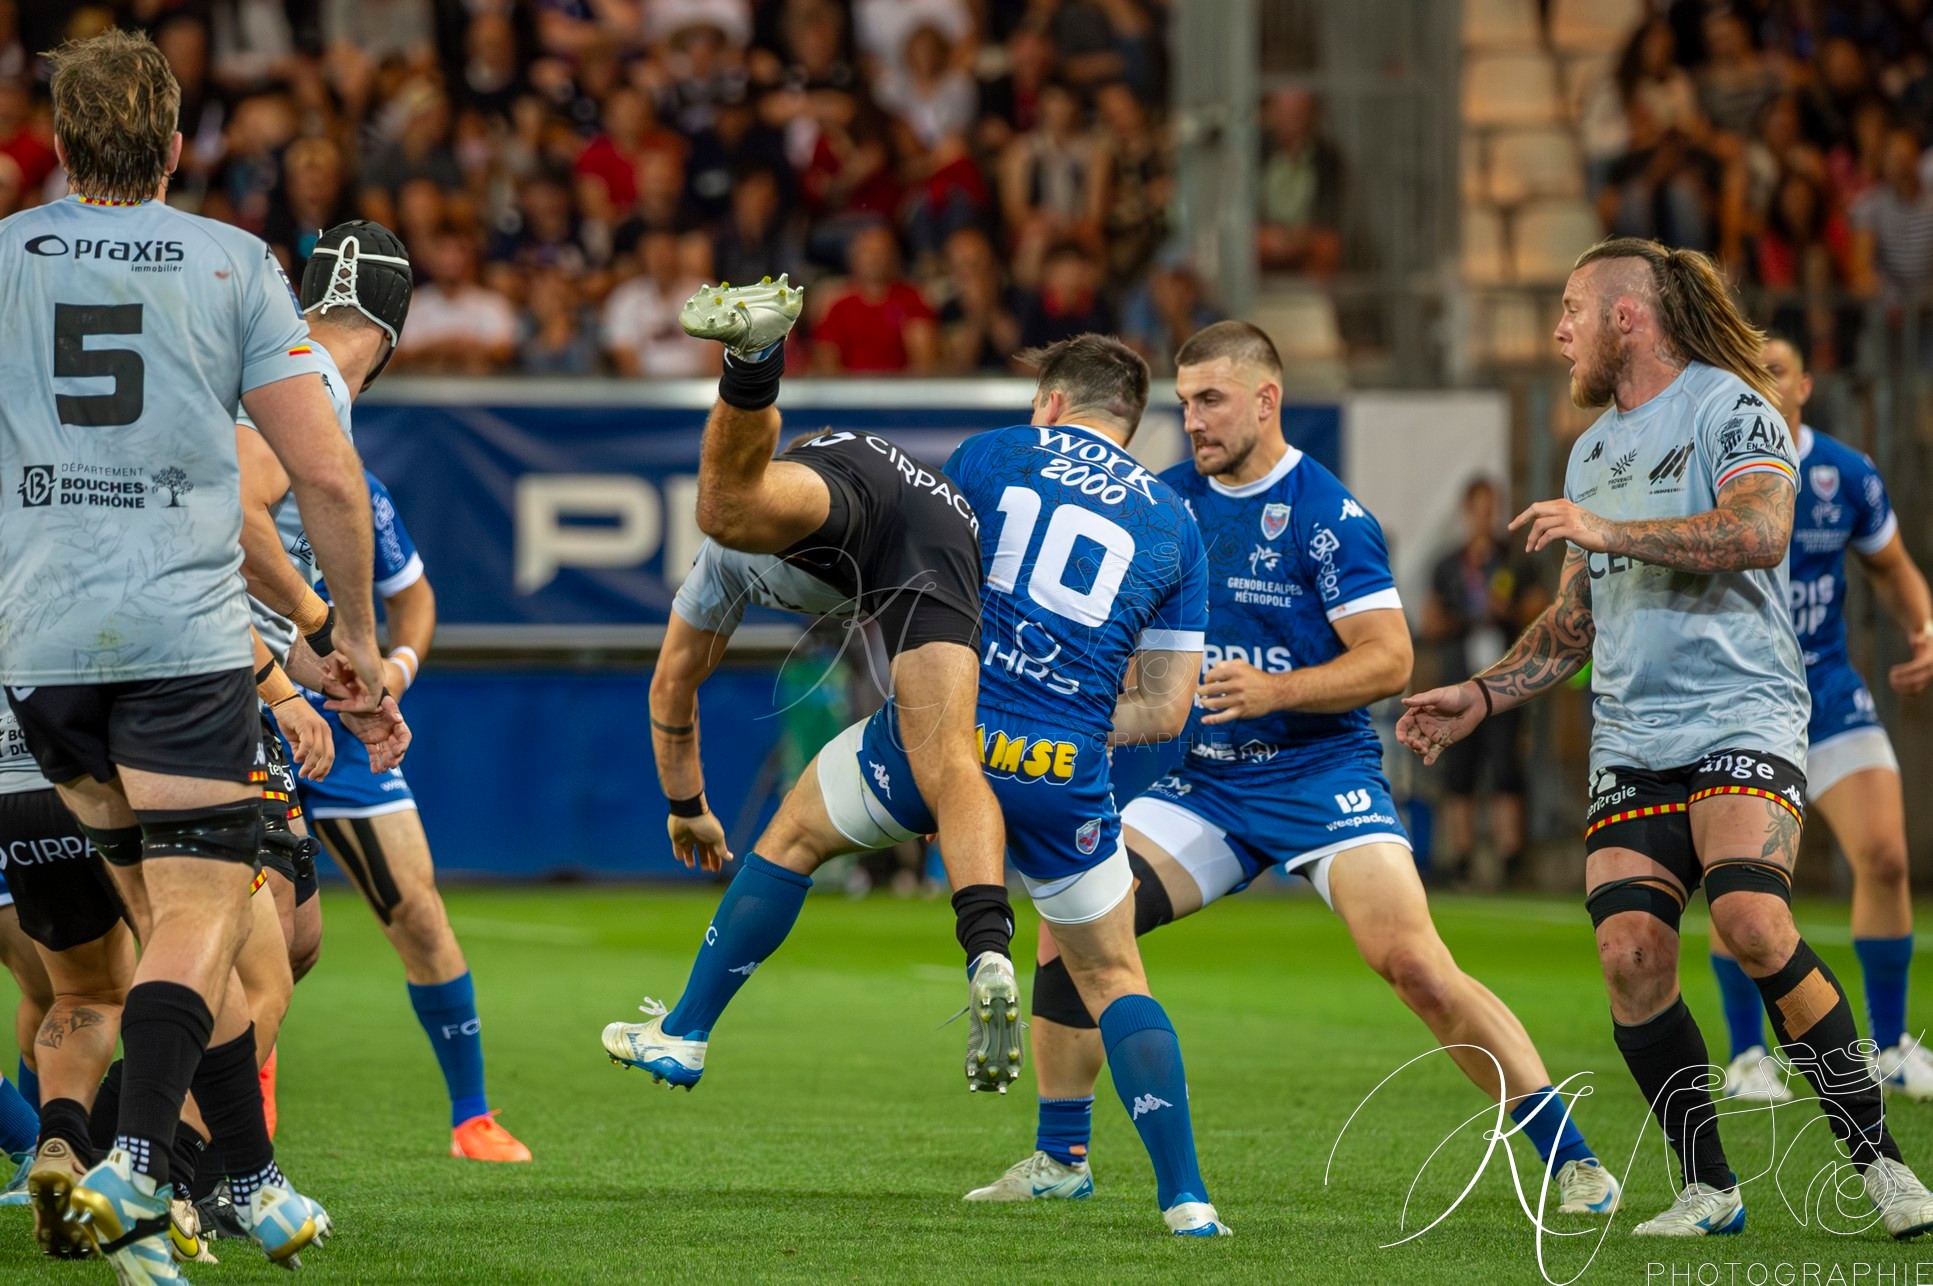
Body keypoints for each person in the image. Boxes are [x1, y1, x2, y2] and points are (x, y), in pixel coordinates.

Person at [964, 321, 1619, 1219]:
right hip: (1210, 785)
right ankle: (1059, 1156)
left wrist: (1277, 690)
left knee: (1413, 965)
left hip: (1321, 777)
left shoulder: (1325, 514)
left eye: (1210, 401)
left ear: (1265, 401)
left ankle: (1569, 1157)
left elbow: (1388, 660)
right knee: (1072, 924)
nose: (1190, 421)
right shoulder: (1163, 501)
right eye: (1183, 402)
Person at [612, 316, 1230, 1237]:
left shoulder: (993, 454)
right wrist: (1066, 722)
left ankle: (689, 1027)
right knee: (1112, 974)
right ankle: (1183, 1199)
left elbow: (917, 561)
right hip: (1064, 763)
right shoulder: (1177, 523)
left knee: (793, 835)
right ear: (1129, 422)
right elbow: (1168, 707)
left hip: (943, 731)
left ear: (1050, 404)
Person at [1399, 238, 1933, 1239]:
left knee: (1749, 920)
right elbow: (1573, 620)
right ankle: (1709, 1185)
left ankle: (1880, 1164)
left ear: (1626, 317)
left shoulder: (1732, 407)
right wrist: (1481, 692)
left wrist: (1610, 530)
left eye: (1570, 309)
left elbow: (1759, 530)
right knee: (1629, 951)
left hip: (1743, 711)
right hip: (1633, 732)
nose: (1557, 332)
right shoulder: (1591, 448)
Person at [0, 29, 396, 1279]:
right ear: (176, 146)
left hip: (40, 642)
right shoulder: (234, 263)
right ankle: (135, 1162)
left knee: (144, 909)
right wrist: (358, 640)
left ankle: (255, 1177)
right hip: (178, 635)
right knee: (204, 911)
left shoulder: (4, 257)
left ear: (63, 148)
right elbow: (320, 470)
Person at [601, 274, 1023, 1094]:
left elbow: (671, 688)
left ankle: (755, 355)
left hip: (859, 493)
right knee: (950, 767)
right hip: (945, 527)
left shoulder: (729, 561)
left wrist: (686, 806)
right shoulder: (904, 508)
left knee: (723, 510)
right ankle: (988, 952)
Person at [237, 220, 529, 1164]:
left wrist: (380, 670)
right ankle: (202, 1153)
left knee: (362, 924)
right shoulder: (303, 386)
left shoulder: (334, 454)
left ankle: (469, 1116)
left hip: (302, 701)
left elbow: (415, 602)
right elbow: (232, 517)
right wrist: (326, 642)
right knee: (234, 946)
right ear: (394, 341)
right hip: (242, 691)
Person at [1710, 335, 1933, 1103]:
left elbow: (1893, 568)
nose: (1763, 387)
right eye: (1750, 375)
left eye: (1774, 372)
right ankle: (1745, 1055)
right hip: (1740, 698)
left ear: (1804, 384)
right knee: (1744, 880)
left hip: (1829, 692)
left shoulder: (1845, 473)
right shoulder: (1717, 467)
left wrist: (1922, 627)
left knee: (1885, 855)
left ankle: (1892, 1044)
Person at [1421, 477, 1548, 888]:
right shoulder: (1449, 564)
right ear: (1466, 511)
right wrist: (1468, 616)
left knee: (1507, 766)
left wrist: (1506, 610)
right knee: (1459, 769)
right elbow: (1430, 620)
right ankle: (1461, 857)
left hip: (1505, 680)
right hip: (1459, 675)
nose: (1484, 516)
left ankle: (1511, 856)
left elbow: (1542, 607)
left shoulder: (1514, 559)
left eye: (1490, 508)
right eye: (1477, 507)